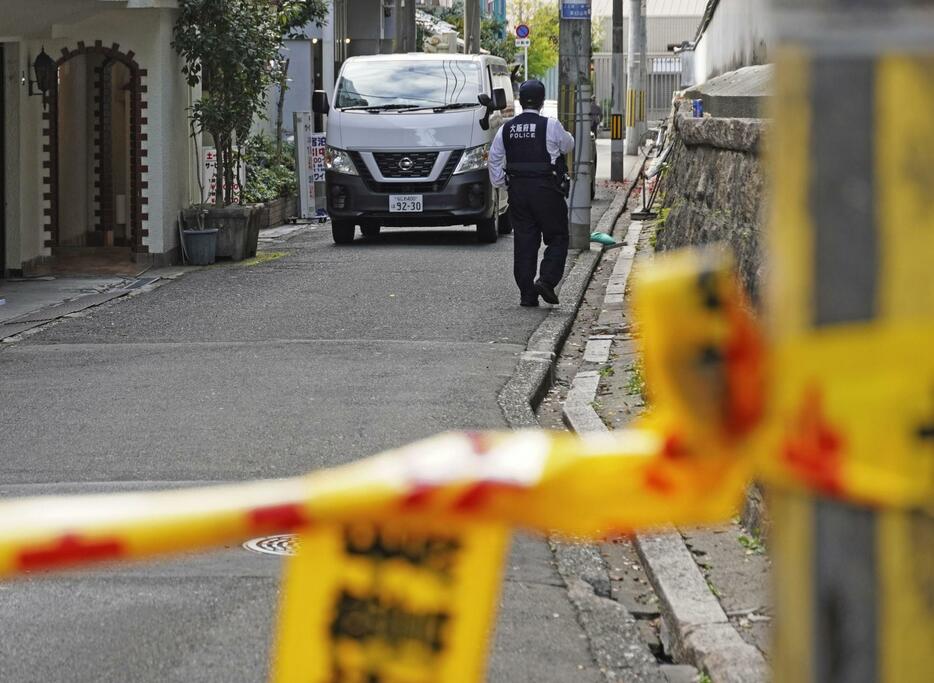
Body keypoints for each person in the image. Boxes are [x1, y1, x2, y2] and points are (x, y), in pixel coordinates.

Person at [488, 80, 575, 307]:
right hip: (547, 191)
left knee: (525, 241)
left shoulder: (506, 128)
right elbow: (568, 145)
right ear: (542, 101)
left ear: (519, 101)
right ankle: (546, 280)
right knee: (557, 237)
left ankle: (527, 294)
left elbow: (494, 158)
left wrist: (502, 184)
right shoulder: (551, 125)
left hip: (518, 191)